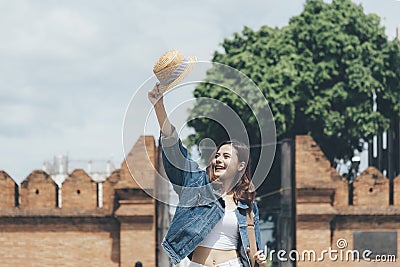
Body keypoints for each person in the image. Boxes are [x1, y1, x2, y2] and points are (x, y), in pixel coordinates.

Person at [148, 82, 267, 267]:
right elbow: (175, 152)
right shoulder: (197, 185)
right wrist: (159, 106)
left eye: (226, 156)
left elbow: (253, 250)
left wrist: (258, 258)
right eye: (217, 155)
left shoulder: (247, 205)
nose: (218, 159)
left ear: (240, 166)